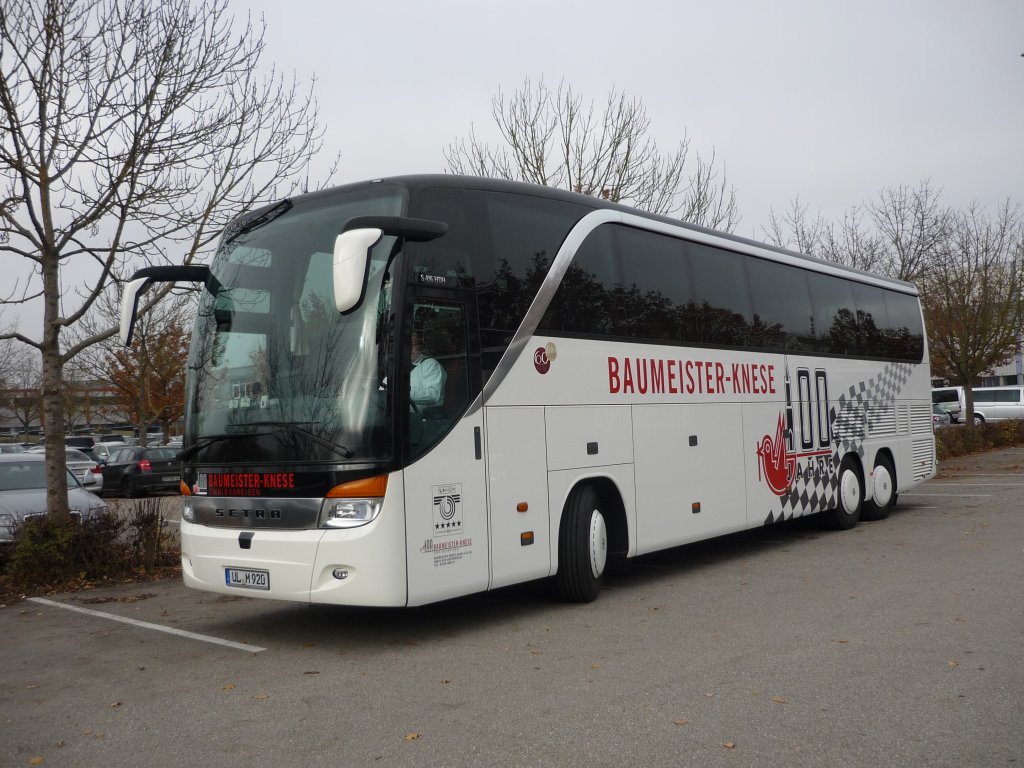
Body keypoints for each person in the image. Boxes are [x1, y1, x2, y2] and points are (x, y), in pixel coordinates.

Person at [410, 330, 446, 408]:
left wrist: (401, 393)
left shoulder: (430, 365)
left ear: (420, 348)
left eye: (411, 347)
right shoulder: (397, 367)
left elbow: (432, 396)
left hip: (423, 417)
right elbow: (384, 389)